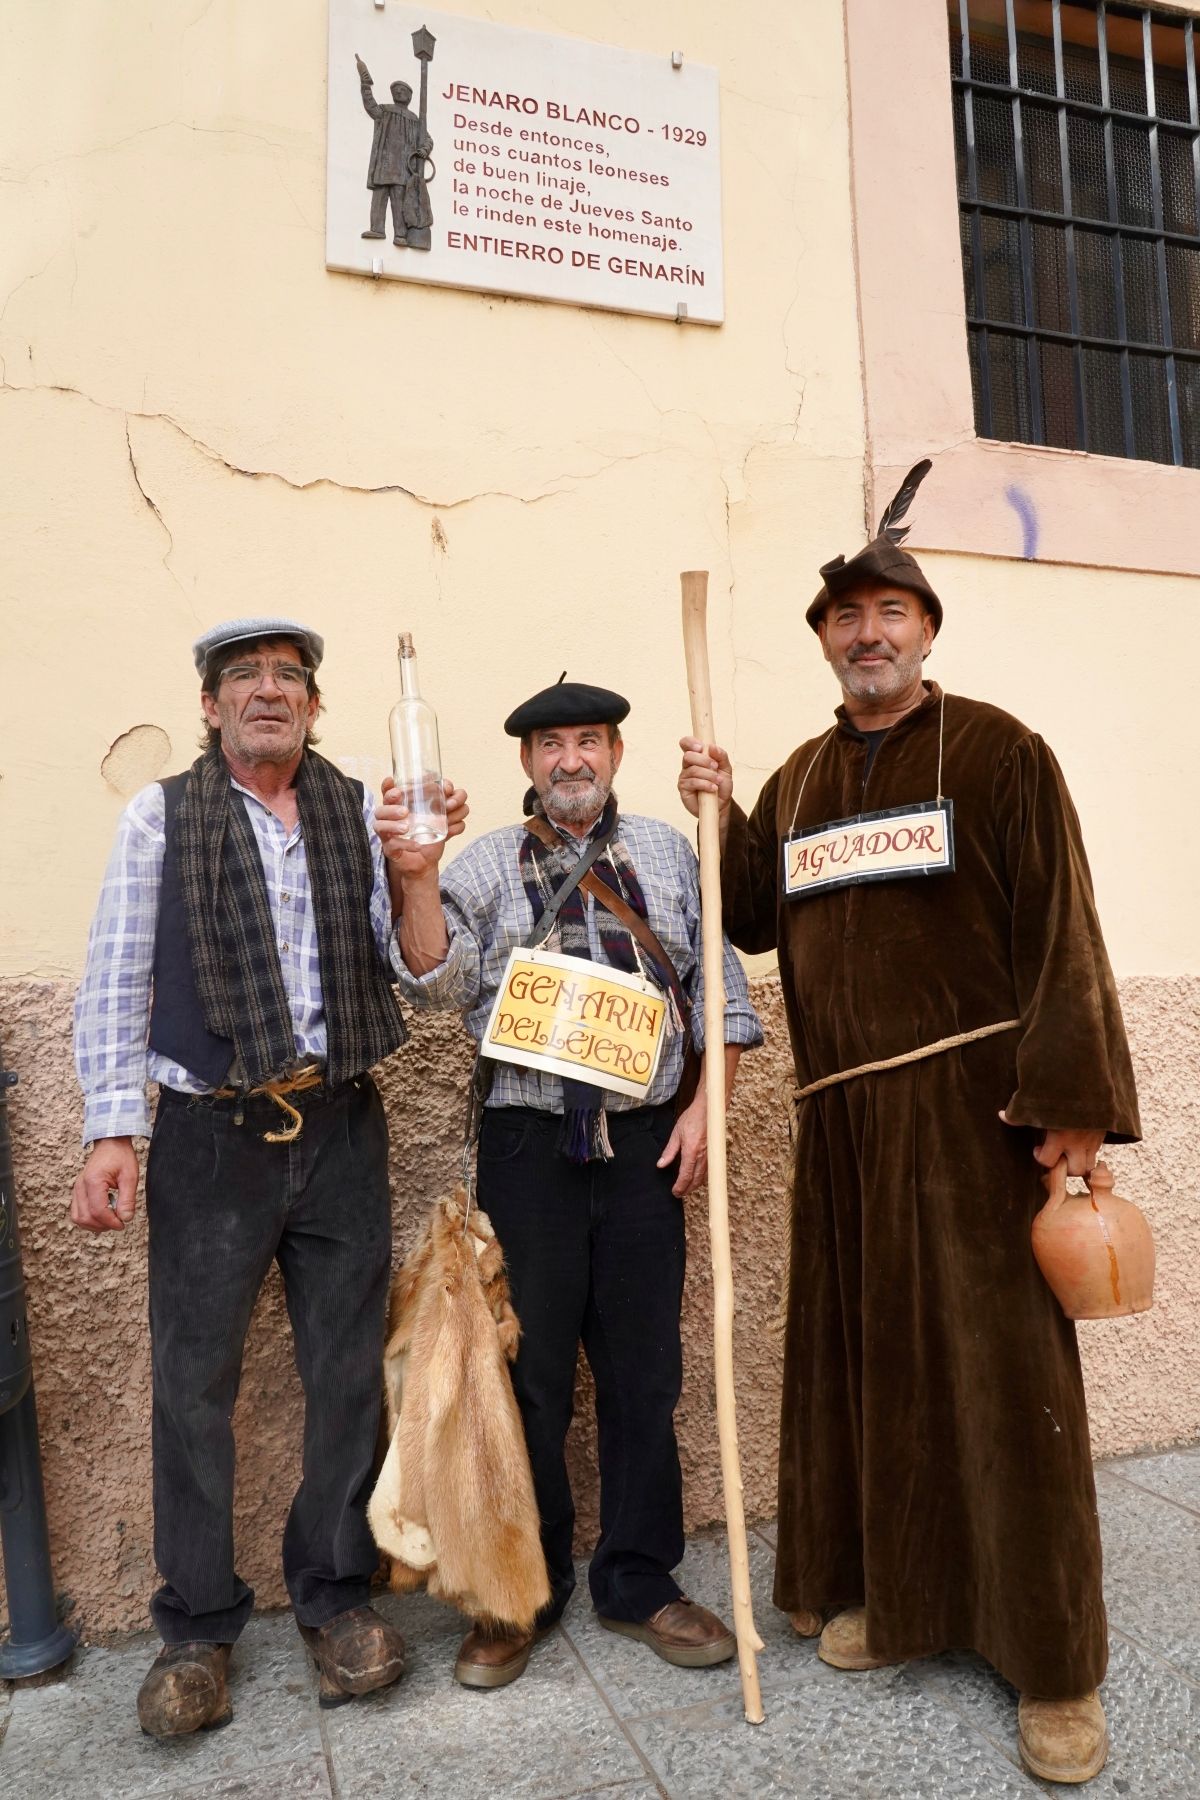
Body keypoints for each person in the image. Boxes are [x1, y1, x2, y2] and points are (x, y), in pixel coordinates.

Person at [678, 465, 1140, 1787]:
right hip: (845, 1131)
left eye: (892, 612)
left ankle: (1057, 1668)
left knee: (1005, 1390)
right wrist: (722, 813)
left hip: (977, 1119)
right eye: (847, 618)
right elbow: (755, 911)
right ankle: (908, 1599)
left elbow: (1064, 933)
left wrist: (1069, 1114)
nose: (869, 633)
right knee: (875, 1372)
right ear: (823, 641)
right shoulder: (807, 775)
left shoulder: (1001, 753)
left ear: (926, 631)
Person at [72, 617, 465, 1737]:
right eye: (242, 677)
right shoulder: (162, 814)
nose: (265, 692)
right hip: (210, 1138)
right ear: (209, 706)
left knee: (345, 1378)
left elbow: (426, 983)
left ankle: (336, 1600)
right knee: (193, 1390)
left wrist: (417, 874)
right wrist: (112, 1133)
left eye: (287, 678)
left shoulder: (360, 808)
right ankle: (195, 1630)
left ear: (315, 705)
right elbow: (112, 977)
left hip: (341, 1126)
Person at [387, 678, 764, 1689]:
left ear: (615, 754)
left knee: (645, 1376)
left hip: (647, 1149)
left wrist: (702, 1113)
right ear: (526, 764)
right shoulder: (476, 869)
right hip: (527, 1150)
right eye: (551, 745)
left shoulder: (673, 856)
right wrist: (413, 875)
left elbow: (722, 994)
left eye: (588, 742)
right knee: (528, 1382)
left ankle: (638, 1580)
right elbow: (429, 982)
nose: (570, 761)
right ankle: (525, 1590)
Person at [356, 56, 433, 247]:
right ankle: (377, 229)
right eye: (397, 90)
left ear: (409, 96)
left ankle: (400, 234)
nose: (400, 93)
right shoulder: (385, 110)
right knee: (379, 199)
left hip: (403, 171)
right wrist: (365, 84)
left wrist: (424, 149)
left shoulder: (415, 120)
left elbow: (428, 139)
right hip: (384, 165)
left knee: (399, 203)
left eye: (404, 91)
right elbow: (370, 106)